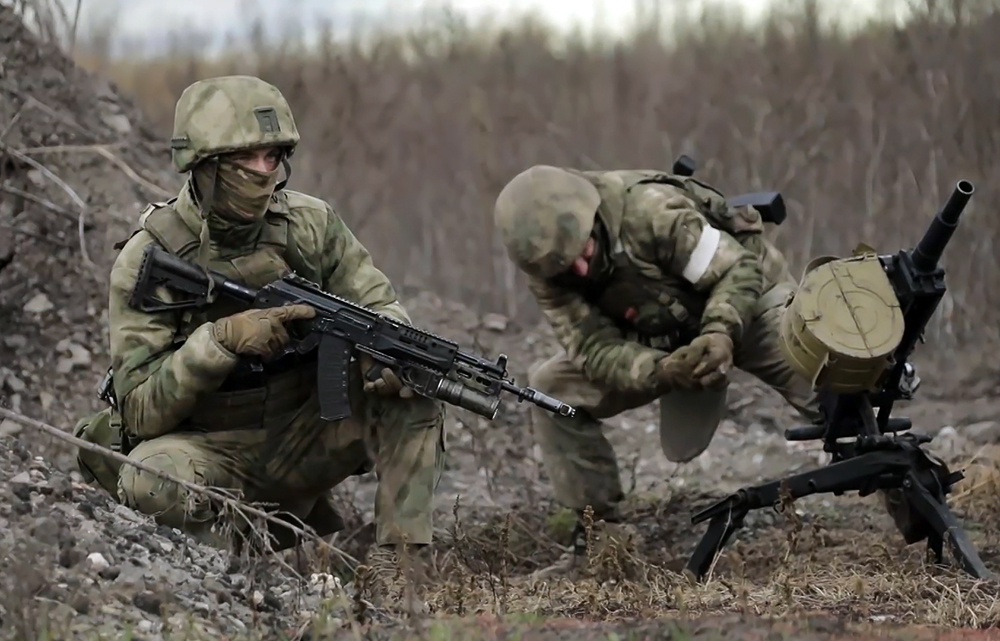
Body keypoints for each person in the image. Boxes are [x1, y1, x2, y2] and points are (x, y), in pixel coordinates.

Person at [74, 76, 444, 603]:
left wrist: (380, 355)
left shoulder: (310, 225)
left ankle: (401, 581)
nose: (265, 172)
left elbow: (381, 305)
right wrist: (219, 342)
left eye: (275, 156)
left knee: (415, 387)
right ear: (205, 164)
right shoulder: (152, 257)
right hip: (211, 450)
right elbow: (138, 411)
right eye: (248, 157)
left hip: (303, 434)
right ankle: (218, 586)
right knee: (149, 477)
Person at [492, 164, 822, 568]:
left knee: (826, 382)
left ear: (594, 220)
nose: (578, 271)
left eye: (583, 253)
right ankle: (600, 542)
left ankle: (909, 491)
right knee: (550, 388)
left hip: (746, 305)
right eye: (566, 267)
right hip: (657, 335)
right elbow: (593, 348)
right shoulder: (547, 268)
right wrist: (661, 369)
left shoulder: (650, 211)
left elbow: (738, 270)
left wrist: (719, 333)